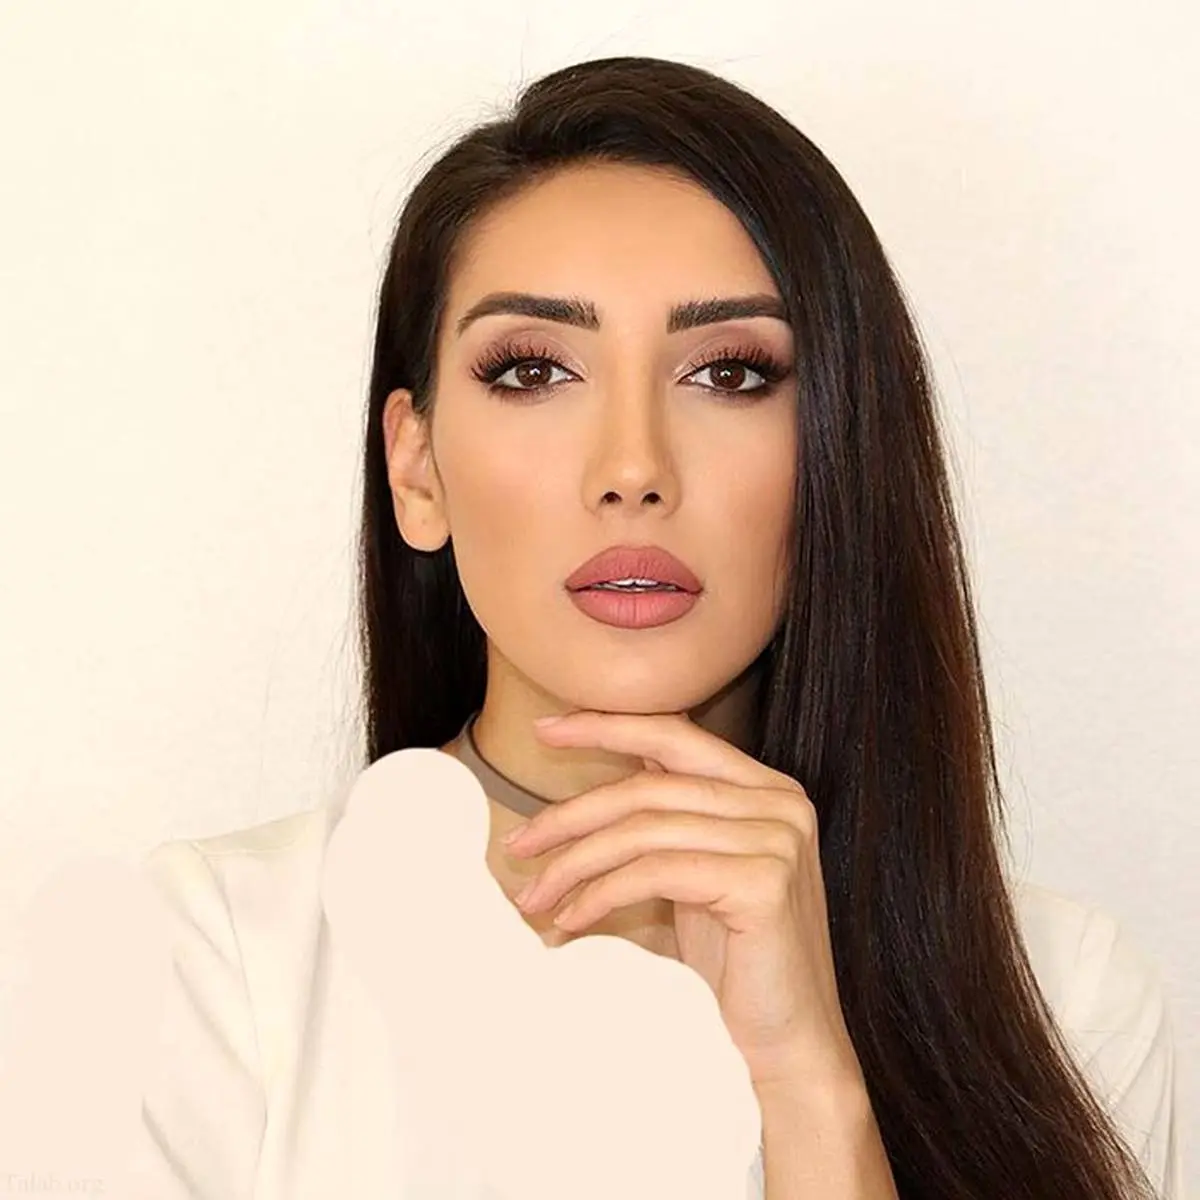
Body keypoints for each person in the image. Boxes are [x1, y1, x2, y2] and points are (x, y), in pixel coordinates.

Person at [132, 55, 1182, 1199]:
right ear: (417, 469)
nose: (633, 468)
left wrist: (809, 1086)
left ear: (836, 458)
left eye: (728, 374)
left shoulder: (1068, 1004)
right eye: (533, 370)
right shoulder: (209, 964)